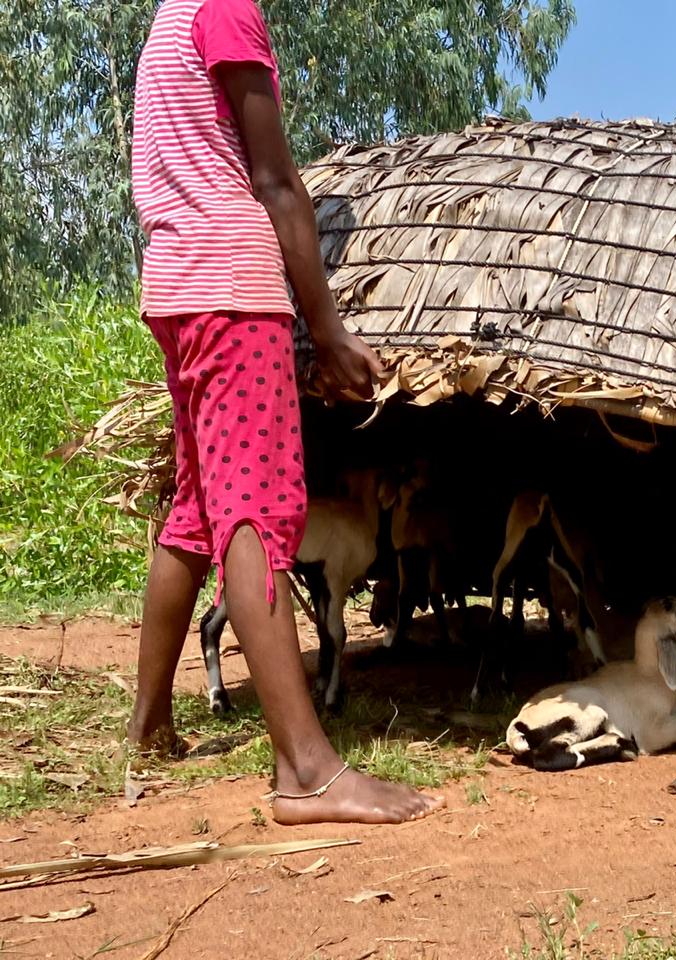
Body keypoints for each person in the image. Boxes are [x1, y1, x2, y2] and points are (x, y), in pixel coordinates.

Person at [127, 0, 442, 825]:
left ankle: (150, 724)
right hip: (233, 290)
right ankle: (307, 770)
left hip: (176, 285)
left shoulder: (171, 18)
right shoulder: (227, 10)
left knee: (196, 511)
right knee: (259, 511)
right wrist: (329, 331)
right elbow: (273, 183)